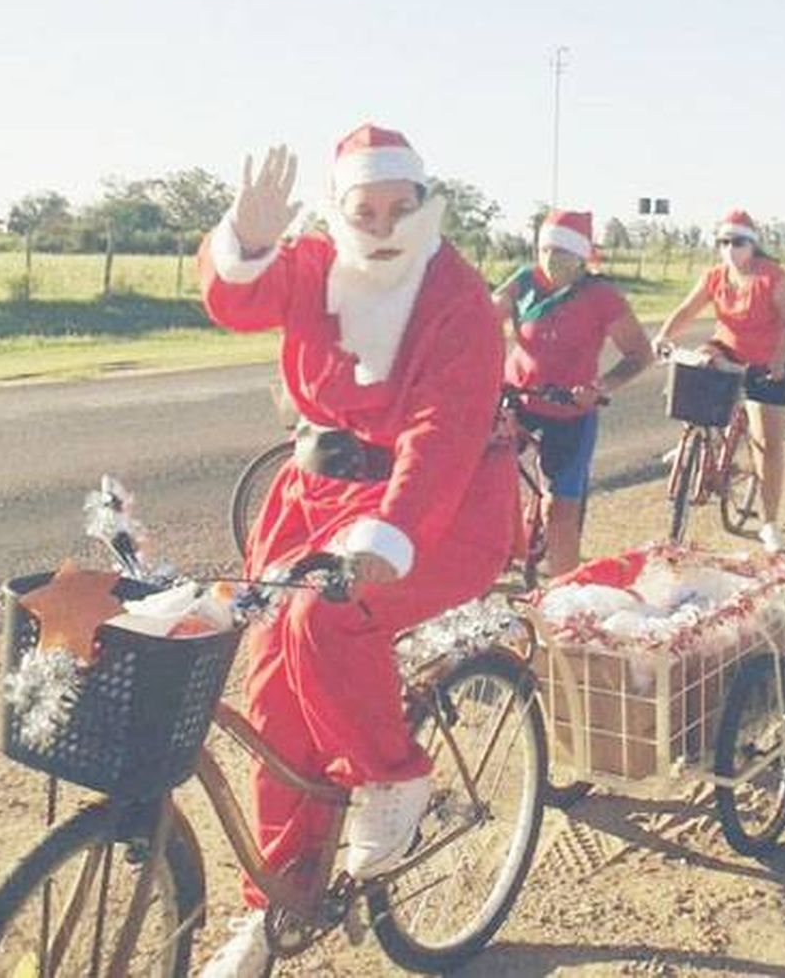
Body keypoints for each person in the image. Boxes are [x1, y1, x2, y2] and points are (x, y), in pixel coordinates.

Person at [196, 124, 516, 976]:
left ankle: (395, 775)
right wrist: (249, 242)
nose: (379, 224)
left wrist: (390, 535)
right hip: (313, 500)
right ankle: (277, 902)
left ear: (422, 204)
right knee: (274, 685)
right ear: (340, 212)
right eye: (362, 209)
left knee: (322, 626)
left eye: (395, 207)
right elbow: (235, 302)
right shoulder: (311, 263)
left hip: (441, 512)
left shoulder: (459, 298)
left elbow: (442, 434)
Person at [492, 210, 651, 575]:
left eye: (562, 252)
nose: (551, 259)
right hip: (517, 399)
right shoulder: (524, 281)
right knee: (482, 479)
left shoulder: (601, 295)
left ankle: (565, 594)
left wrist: (600, 388)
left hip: (570, 412)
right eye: (545, 250)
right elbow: (486, 317)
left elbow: (640, 354)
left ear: (581, 257)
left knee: (559, 513)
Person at [652, 209, 785, 553]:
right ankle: (693, 438)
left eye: (738, 242)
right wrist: (663, 336)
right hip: (727, 348)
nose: (730, 249)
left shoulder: (772, 277)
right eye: (723, 242)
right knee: (695, 368)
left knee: (767, 443)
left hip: (767, 360)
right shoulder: (715, 277)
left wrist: (778, 360)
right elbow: (687, 311)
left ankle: (769, 523)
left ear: (753, 245)